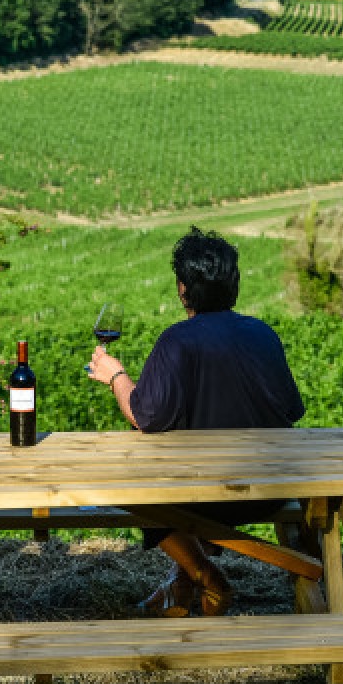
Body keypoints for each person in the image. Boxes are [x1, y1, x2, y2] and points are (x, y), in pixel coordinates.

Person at [86, 228, 305, 617]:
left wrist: (116, 376)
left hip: (205, 502)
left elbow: (145, 416)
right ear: (234, 285)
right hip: (272, 491)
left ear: (182, 289)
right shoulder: (263, 334)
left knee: (130, 485)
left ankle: (206, 576)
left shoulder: (177, 342)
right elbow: (290, 410)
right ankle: (182, 582)